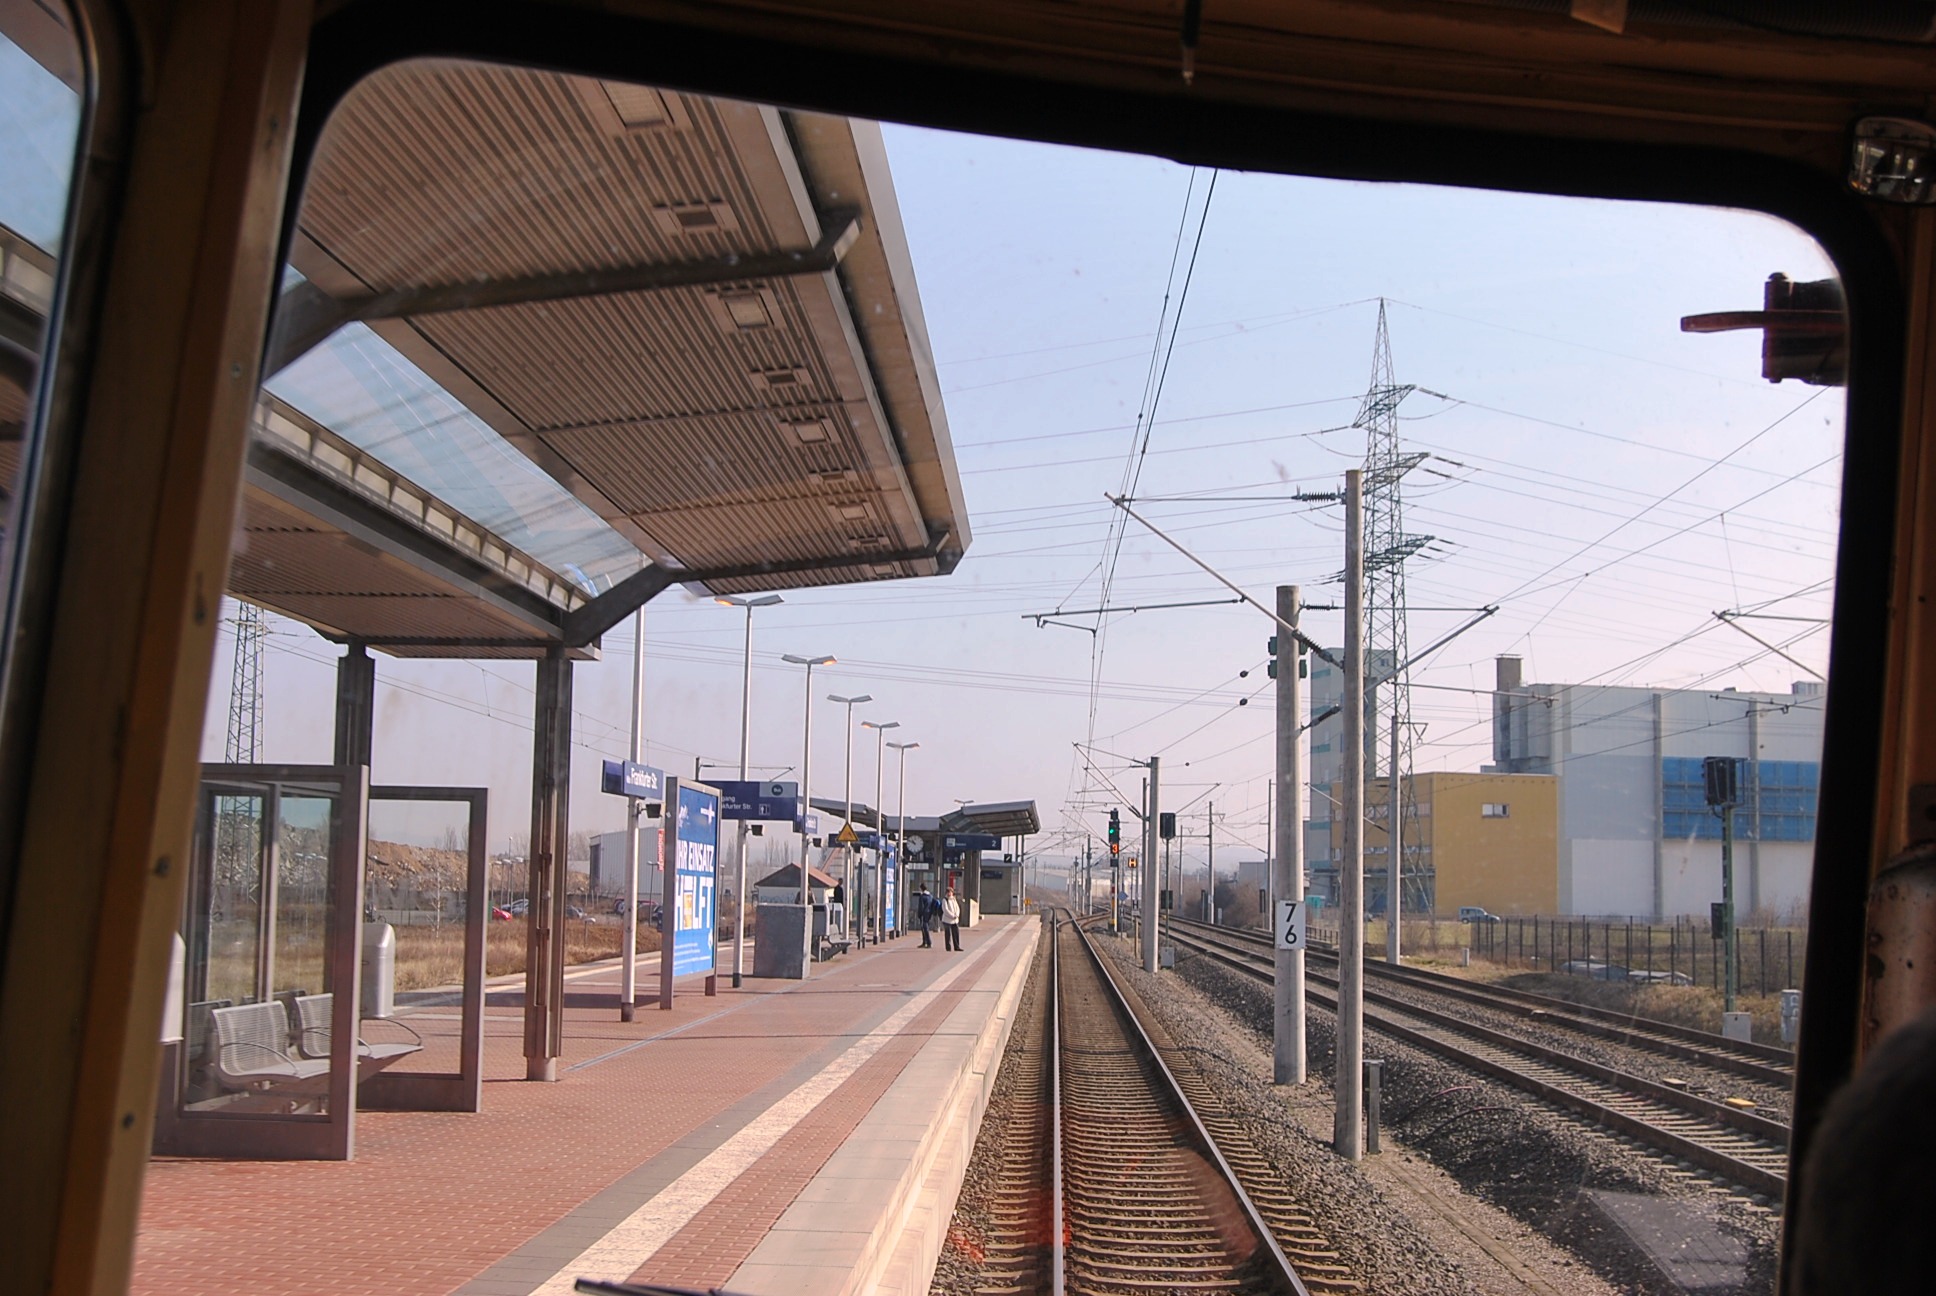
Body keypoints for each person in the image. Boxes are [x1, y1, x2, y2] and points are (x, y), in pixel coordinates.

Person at [941, 885, 962, 952]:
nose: (949, 893)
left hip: (955, 920)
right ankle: (948, 947)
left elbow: (957, 908)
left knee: (956, 933)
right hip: (947, 920)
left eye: (950, 892)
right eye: (948, 892)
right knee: (948, 934)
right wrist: (952, 916)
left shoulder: (954, 899)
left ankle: (957, 946)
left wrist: (957, 915)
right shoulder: (945, 900)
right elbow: (945, 910)